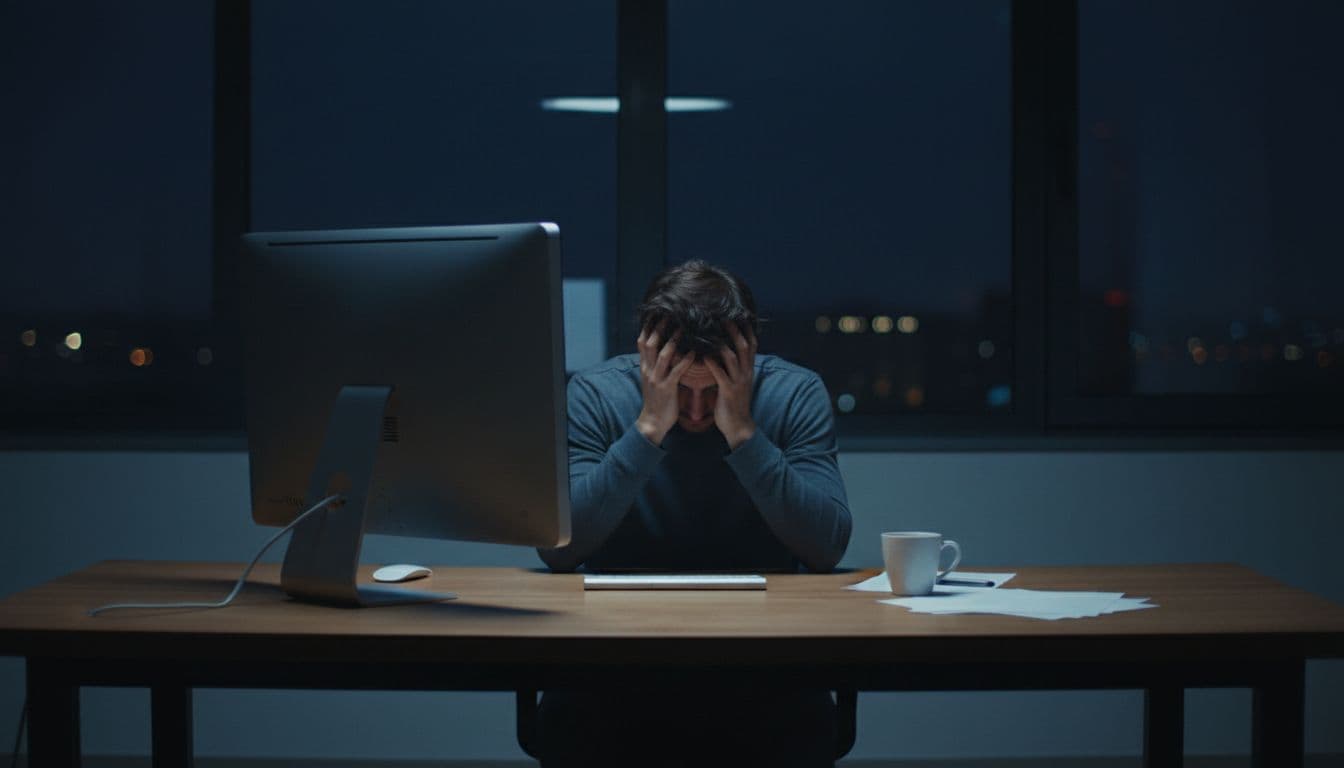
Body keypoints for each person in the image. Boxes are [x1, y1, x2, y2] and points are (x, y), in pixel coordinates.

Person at [534, 260, 852, 768]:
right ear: (648, 360)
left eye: (714, 391)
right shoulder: (596, 394)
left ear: (747, 363)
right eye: (681, 389)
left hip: (764, 660)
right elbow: (559, 549)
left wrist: (744, 431)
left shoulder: (794, 393)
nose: (699, 412)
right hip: (616, 658)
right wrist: (647, 428)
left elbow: (826, 546)